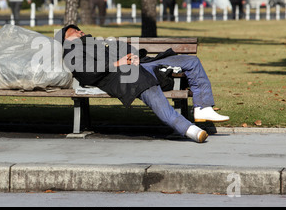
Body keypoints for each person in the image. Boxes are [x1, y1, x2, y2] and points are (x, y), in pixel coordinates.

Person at [55, 25, 229, 143]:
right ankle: (187, 128)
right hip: (120, 75)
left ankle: (203, 107)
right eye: (73, 30)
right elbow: (86, 73)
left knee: (191, 61)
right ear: (65, 37)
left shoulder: (98, 42)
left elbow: (123, 47)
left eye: (80, 30)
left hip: (141, 64)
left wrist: (134, 55)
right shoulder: (71, 50)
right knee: (148, 87)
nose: (80, 31)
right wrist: (118, 64)